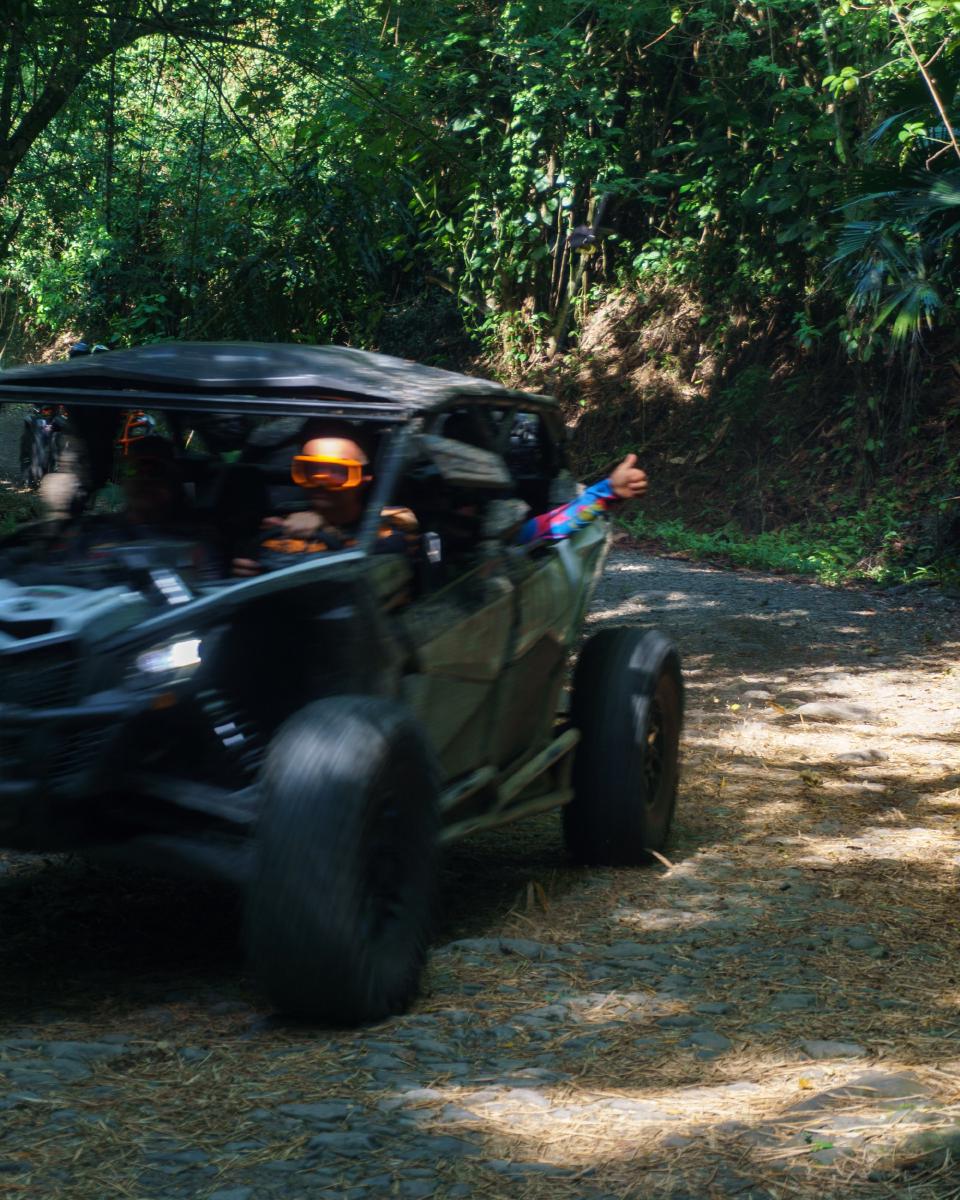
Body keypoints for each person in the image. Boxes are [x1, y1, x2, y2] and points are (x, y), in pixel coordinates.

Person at [232, 424, 648, 577]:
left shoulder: (404, 527)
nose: (321, 483)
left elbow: (549, 527)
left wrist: (606, 492)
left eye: (337, 472)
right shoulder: (281, 528)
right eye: (310, 472)